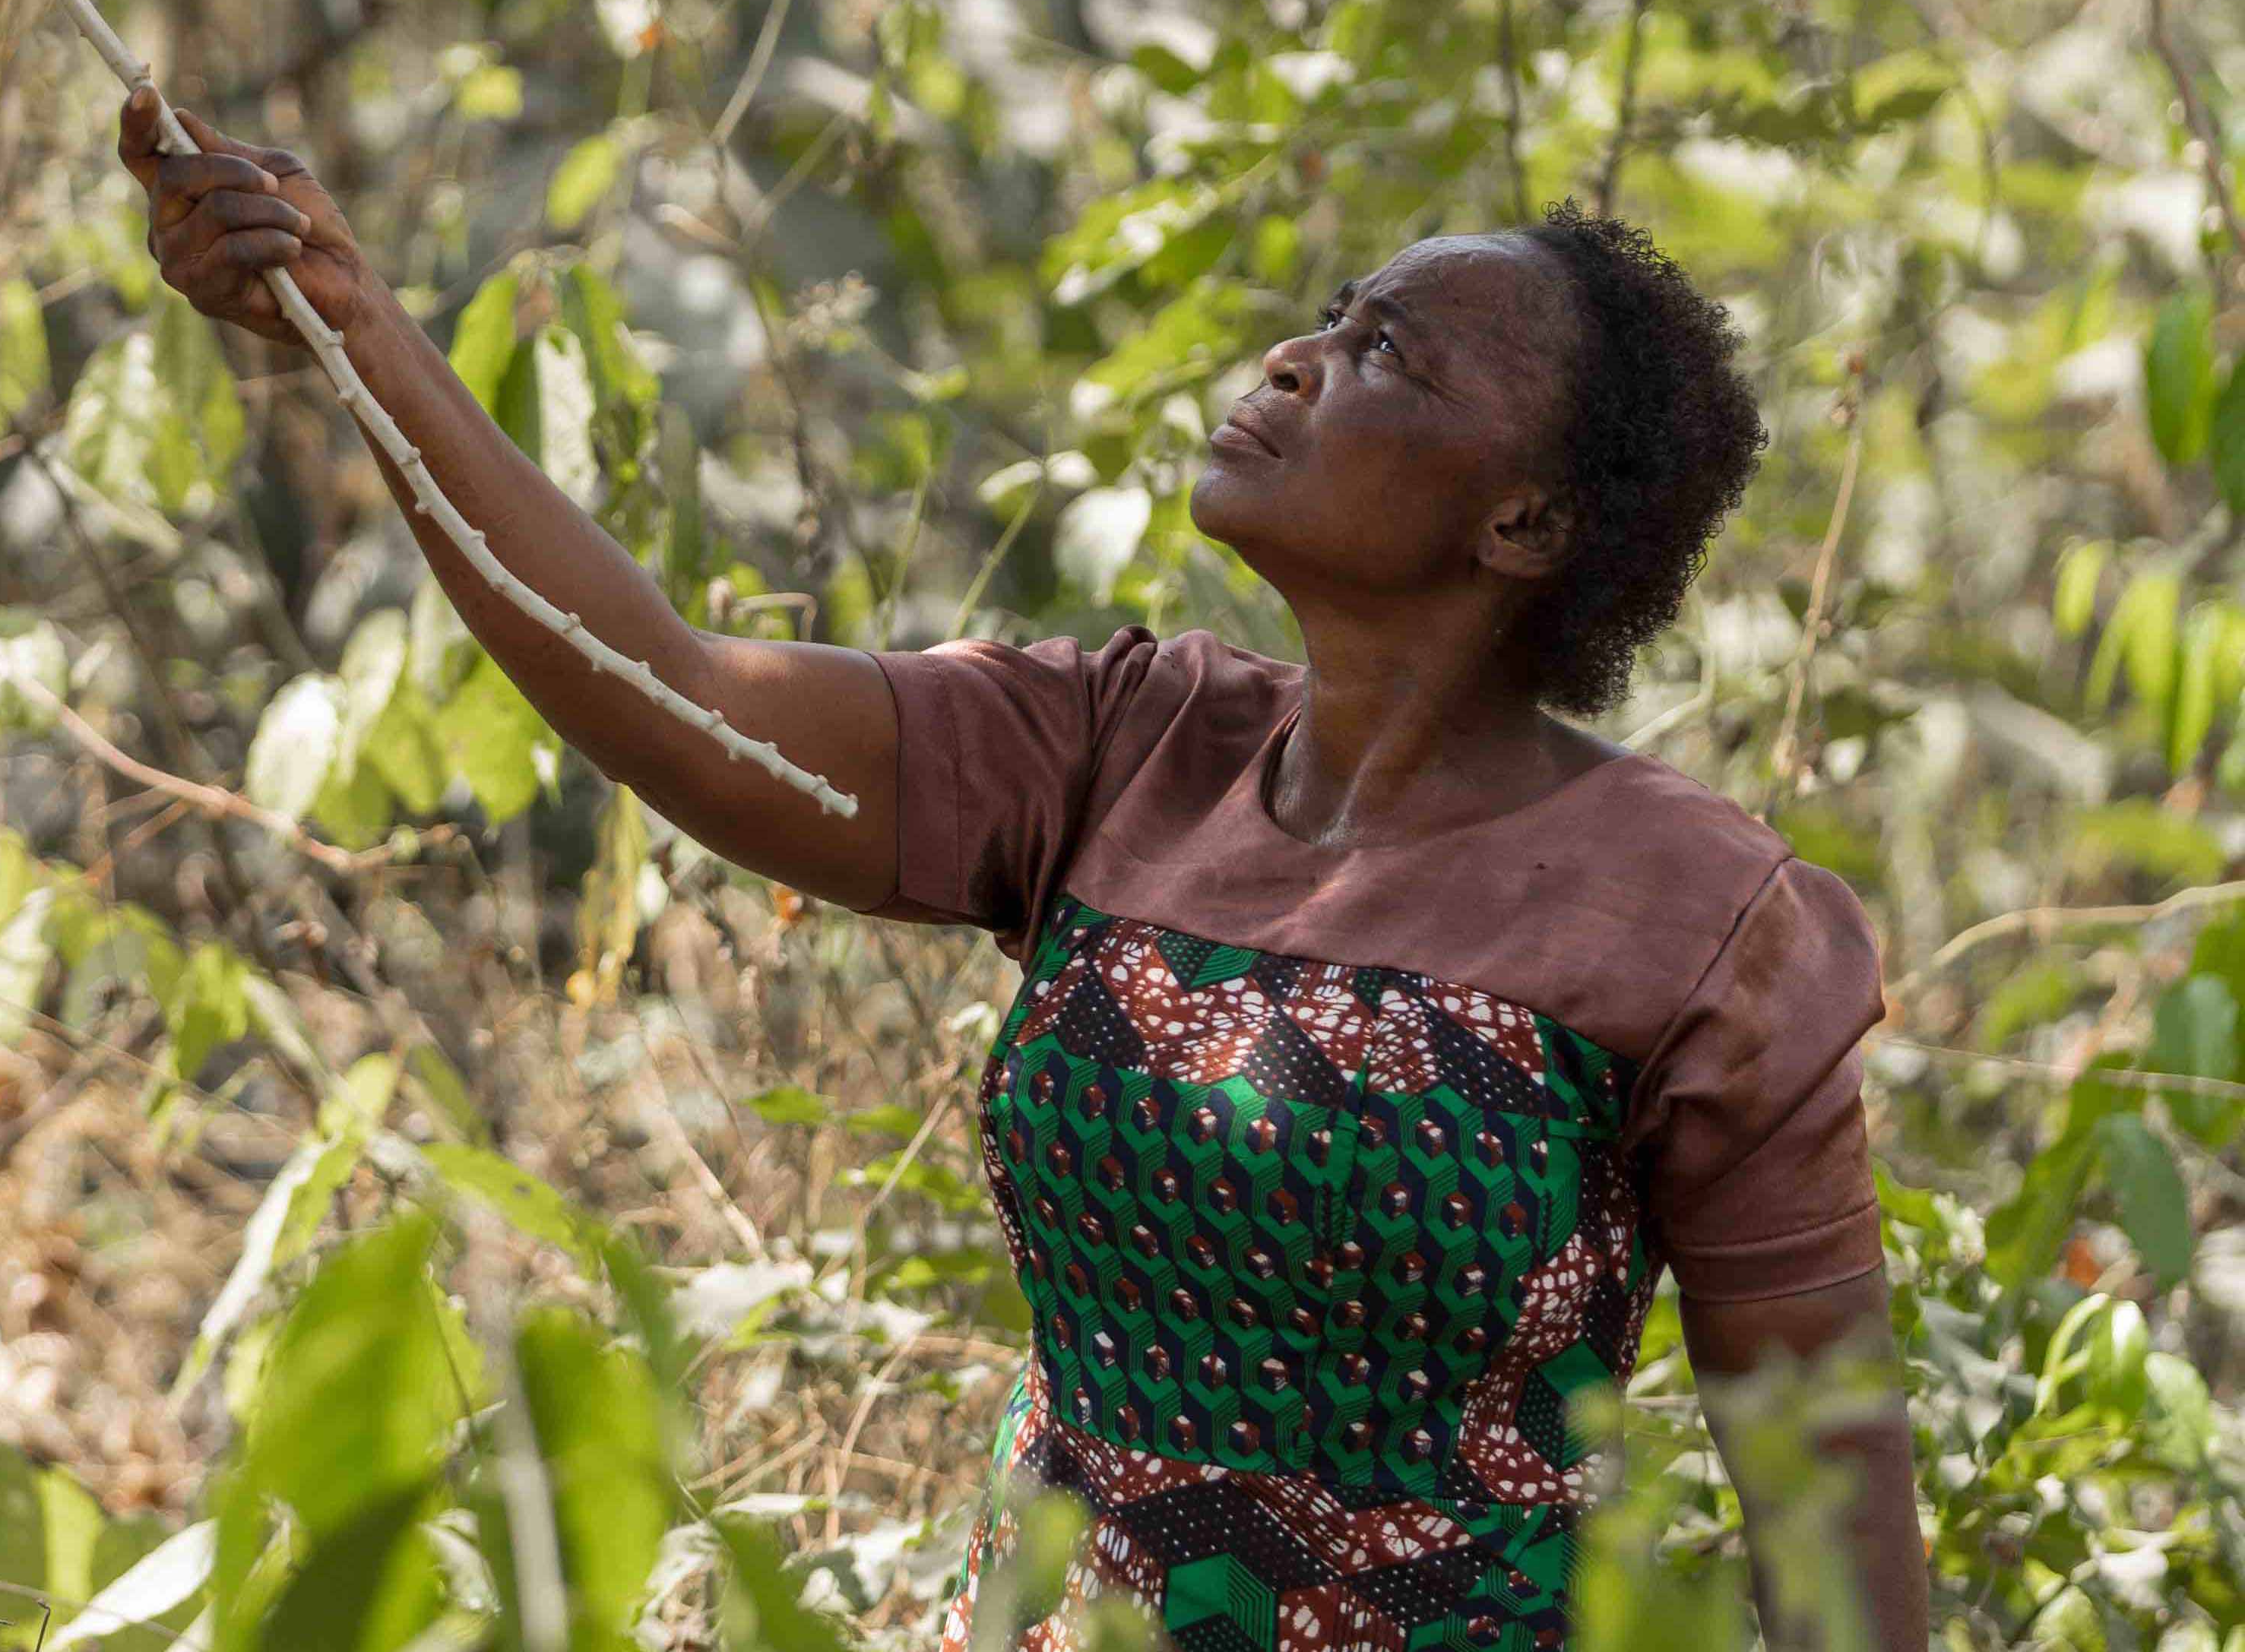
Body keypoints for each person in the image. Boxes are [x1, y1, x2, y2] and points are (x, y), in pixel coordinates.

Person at [118, 89, 1927, 1652]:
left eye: (1387, 355)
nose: (1294, 361)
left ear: (1522, 520)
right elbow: (671, 695)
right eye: (1325, 316)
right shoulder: (1114, 745)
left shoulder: (1701, 918)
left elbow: (1821, 1505)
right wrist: (356, 326)